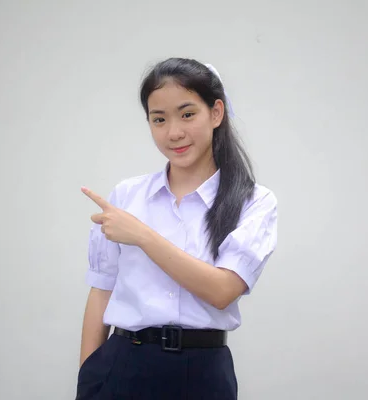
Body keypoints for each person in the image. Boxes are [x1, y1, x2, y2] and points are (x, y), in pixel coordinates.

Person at [76, 57, 278, 399]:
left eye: (187, 114)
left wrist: (142, 236)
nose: (174, 132)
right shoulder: (127, 195)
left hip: (203, 373)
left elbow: (222, 290)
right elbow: (101, 291)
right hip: (122, 366)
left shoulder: (253, 201)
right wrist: (88, 380)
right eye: (159, 119)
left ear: (216, 113)